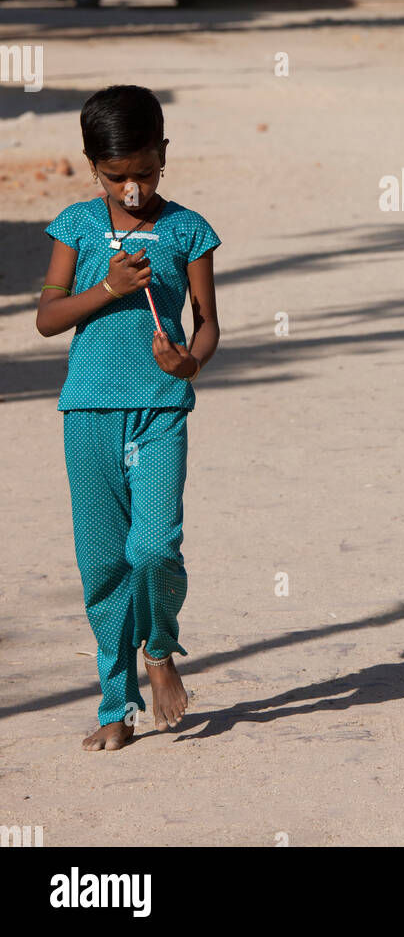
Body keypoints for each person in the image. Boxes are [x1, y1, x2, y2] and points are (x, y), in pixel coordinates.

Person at [36, 85, 221, 751]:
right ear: (92, 167)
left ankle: (160, 644)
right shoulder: (76, 227)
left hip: (160, 409)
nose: (134, 188)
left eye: (144, 171)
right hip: (86, 410)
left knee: (153, 548)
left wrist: (187, 365)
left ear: (164, 156)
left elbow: (207, 327)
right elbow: (47, 318)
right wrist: (107, 288)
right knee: (103, 565)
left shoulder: (188, 231)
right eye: (117, 176)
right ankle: (115, 702)